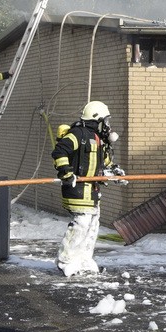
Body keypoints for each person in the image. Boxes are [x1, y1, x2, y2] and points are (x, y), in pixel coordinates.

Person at [51, 100, 124, 277]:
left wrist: (114, 171)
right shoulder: (78, 134)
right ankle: (66, 260)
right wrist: (67, 173)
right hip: (78, 188)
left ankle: (83, 260)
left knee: (92, 226)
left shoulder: (99, 139)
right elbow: (59, 152)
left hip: (93, 190)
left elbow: (103, 161)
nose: (108, 125)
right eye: (106, 121)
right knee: (81, 224)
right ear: (97, 119)